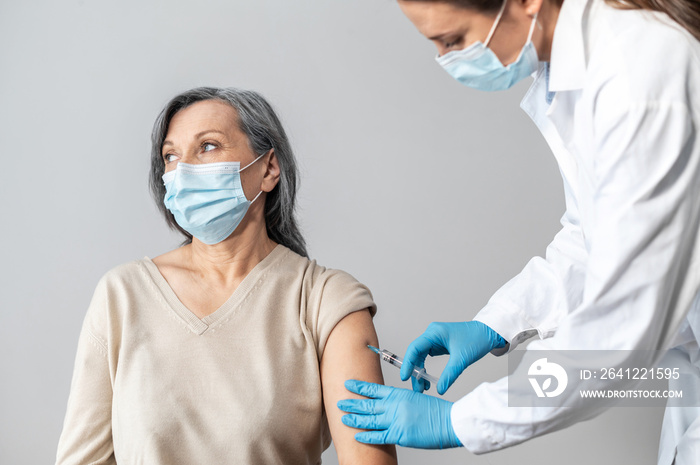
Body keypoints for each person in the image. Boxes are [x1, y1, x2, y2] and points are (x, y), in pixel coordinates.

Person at [337, 0, 700, 462]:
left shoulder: (639, 74)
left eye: (453, 41)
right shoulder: (576, 71)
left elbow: (619, 330)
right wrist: (495, 323)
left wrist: (459, 420)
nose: (449, 61)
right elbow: (594, 237)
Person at [56, 87, 397, 465]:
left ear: (268, 169)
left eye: (208, 147)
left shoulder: (326, 301)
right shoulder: (121, 296)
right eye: (171, 155)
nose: (183, 169)